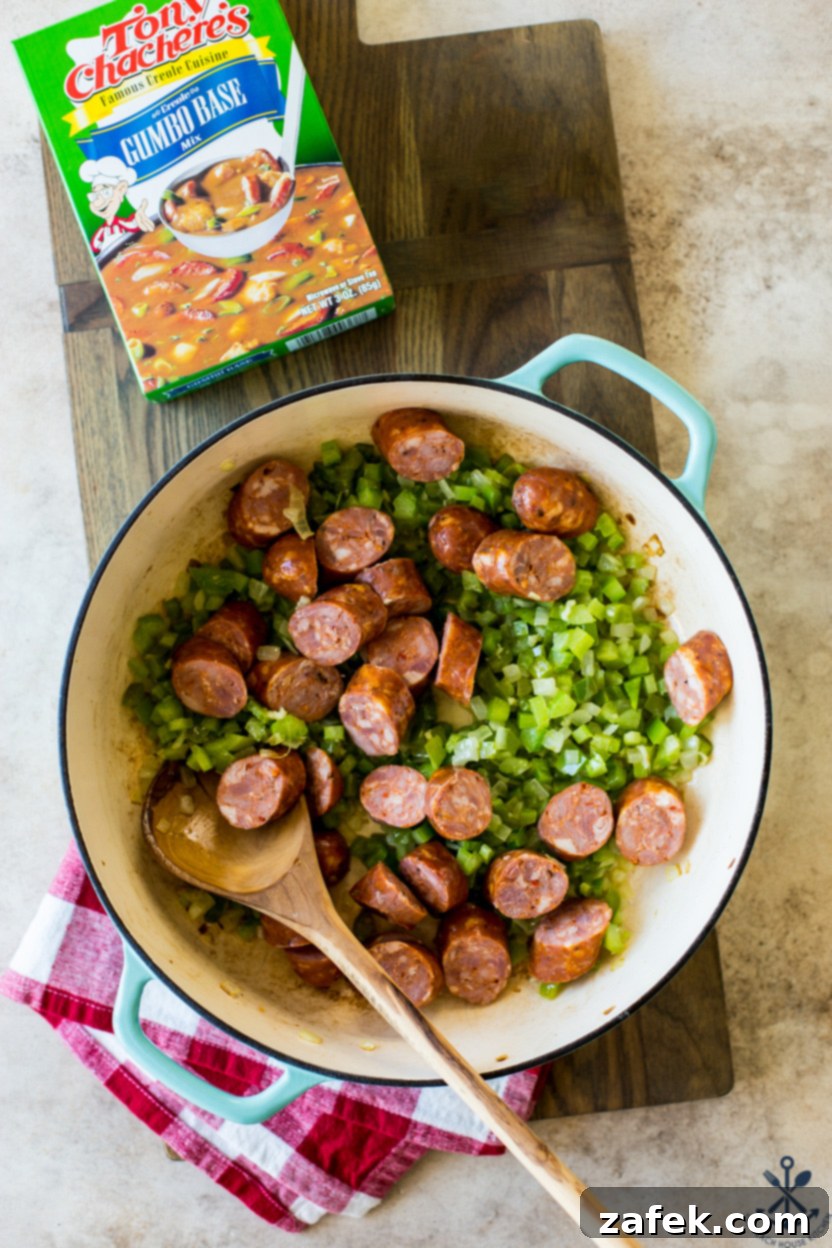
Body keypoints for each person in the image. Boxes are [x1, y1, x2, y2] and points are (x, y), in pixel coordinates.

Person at [79, 156, 154, 253]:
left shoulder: (121, 223)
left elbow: (133, 225)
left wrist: (140, 213)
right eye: (95, 196)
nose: (99, 202)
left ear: (121, 190)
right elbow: (94, 246)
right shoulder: (103, 230)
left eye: (106, 193)